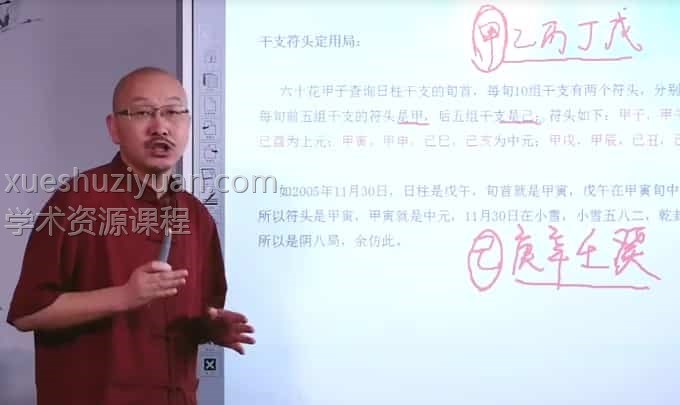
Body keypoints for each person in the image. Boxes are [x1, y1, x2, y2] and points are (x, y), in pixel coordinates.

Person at [6, 66, 255, 405]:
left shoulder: (196, 215)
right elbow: (27, 313)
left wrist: (212, 329)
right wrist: (124, 296)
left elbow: (199, 312)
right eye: (142, 113)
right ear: (114, 128)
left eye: (173, 112)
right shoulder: (78, 201)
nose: (160, 127)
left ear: (188, 124)